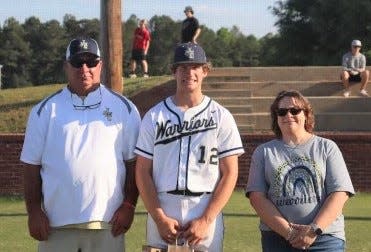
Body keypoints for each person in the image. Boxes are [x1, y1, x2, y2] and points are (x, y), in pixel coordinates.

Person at [20, 37, 141, 252]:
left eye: (91, 62)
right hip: (55, 225)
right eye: (77, 62)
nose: (84, 69)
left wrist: (129, 205)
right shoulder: (45, 110)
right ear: (66, 66)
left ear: (101, 65)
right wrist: (34, 212)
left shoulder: (125, 108)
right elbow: (31, 166)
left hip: (107, 222)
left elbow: (134, 164)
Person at [135, 43, 244, 251]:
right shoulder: (154, 116)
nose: (189, 72)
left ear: (205, 71)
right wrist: (159, 218)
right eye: (183, 67)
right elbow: (142, 171)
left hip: (204, 205)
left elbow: (230, 173)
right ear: (174, 72)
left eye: (195, 66)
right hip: (163, 205)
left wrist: (206, 220)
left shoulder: (221, 116)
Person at [245, 90, 355, 252]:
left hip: (325, 237)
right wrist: (289, 233)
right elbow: (257, 198)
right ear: (276, 117)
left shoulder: (326, 147)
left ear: (306, 114)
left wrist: (313, 230)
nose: (288, 115)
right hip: (278, 239)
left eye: (295, 110)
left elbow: (340, 193)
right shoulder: (263, 152)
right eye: (282, 112)